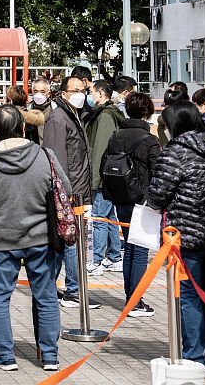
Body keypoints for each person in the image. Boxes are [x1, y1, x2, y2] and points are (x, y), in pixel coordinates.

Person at [0, 104, 68, 372]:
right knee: (46, 295)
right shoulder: (44, 156)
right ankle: (50, 356)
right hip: (40, 238)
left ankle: (5, 356)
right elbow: (66, 188)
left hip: (2, 239)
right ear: (23, 127)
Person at [147, 100, 205, 374]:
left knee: (189, 295)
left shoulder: (175, 152)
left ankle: (194, 355)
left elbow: (158, 194)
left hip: (184, 234)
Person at [101, 91, 161, 315]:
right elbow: (158, 171)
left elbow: (104, 164)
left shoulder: (116, 136)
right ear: (147, 113)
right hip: (142, 199)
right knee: (139, 251)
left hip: (120, 197)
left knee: (129, 247)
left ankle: (131, 296)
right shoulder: (149, 140)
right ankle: (135, 300)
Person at [42, 75, 92, 309]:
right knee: (69, 243)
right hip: (68, 193)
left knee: (69, 243)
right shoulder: (58, 119)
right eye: (75, 90)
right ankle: (70, 290)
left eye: (82, 89)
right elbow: (55, 160)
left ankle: (59, 287)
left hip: (78, 191)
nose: (81, 94)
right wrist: (64, 193)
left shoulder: (75, 116)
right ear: (63, 94)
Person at [85, 79, 123, 275]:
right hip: (108, 175)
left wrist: (95, 178)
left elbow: (99, 149)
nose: (88, 95)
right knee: (108, 216)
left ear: (100, 93)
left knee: (99, 216)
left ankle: (97, 261)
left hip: (102, 175)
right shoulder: (106, 114)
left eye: (91, 91)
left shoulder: (104, 117)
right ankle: (115, 257)